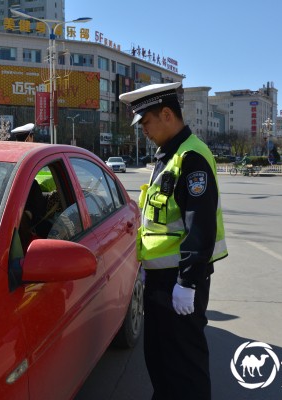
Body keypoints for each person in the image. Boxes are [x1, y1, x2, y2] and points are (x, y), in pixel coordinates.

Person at [120, 82, 228, 400]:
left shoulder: (191, 157)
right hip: (160, 279)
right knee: (160, 361)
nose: (144, 131)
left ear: (166, 114)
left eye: (146, 123)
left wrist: (188, 283)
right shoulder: (168, 156)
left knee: (185, 368)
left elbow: (201, 226)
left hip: (179, 281)